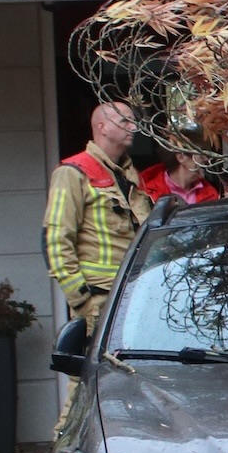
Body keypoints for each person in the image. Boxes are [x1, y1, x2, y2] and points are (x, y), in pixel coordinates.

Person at [43, 101, 151, 335]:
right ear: (102, 127)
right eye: (125, 121)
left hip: (135, 297)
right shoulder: (73, 172)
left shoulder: (132, 176)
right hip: (98, 298)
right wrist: (82, 300)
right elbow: (56, 240)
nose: (133, 127)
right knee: (96, 371)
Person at [139, 148, 220, 206]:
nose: (206, 159)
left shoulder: (210, 194)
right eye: (201, 154)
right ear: (181, 157)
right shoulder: (147, 191)